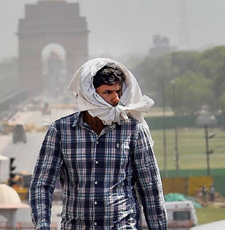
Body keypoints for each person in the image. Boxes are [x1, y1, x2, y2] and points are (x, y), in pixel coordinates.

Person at [29, 58, 167, 229]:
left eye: (118, 91)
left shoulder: (133, 131)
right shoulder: (61, 131)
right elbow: (42, 184)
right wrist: (42, 224)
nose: (115, 99)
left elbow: (150, 187)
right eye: (107, 92)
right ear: (90, 94)